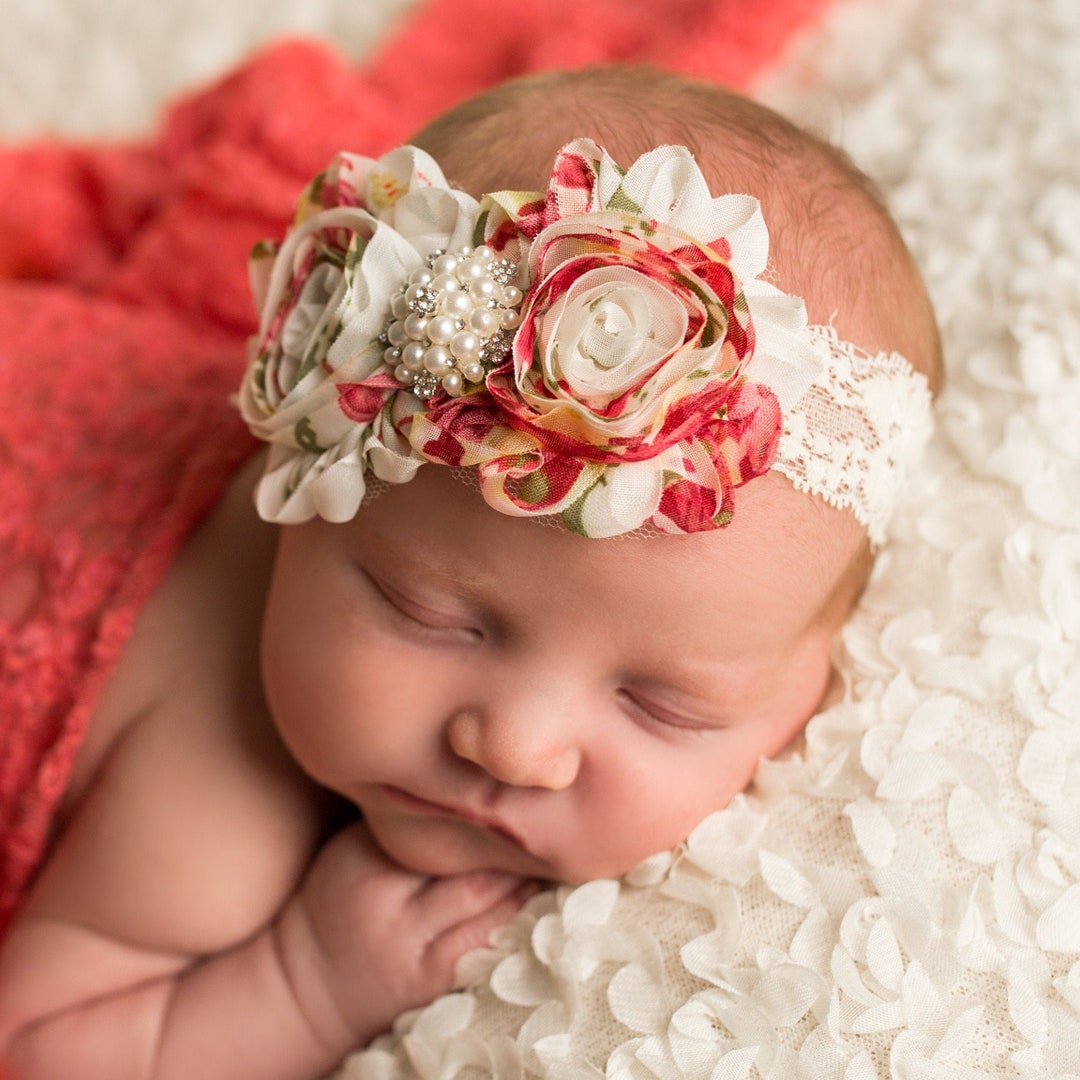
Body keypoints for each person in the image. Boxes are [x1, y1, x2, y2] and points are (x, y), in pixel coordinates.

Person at [0, 65, 939, 1080]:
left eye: (664, 704)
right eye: (430, 615)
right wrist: (304, 977)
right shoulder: (217, 803)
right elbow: (34, 1047)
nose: (516, 749)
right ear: (301, 481)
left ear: (811, 681)